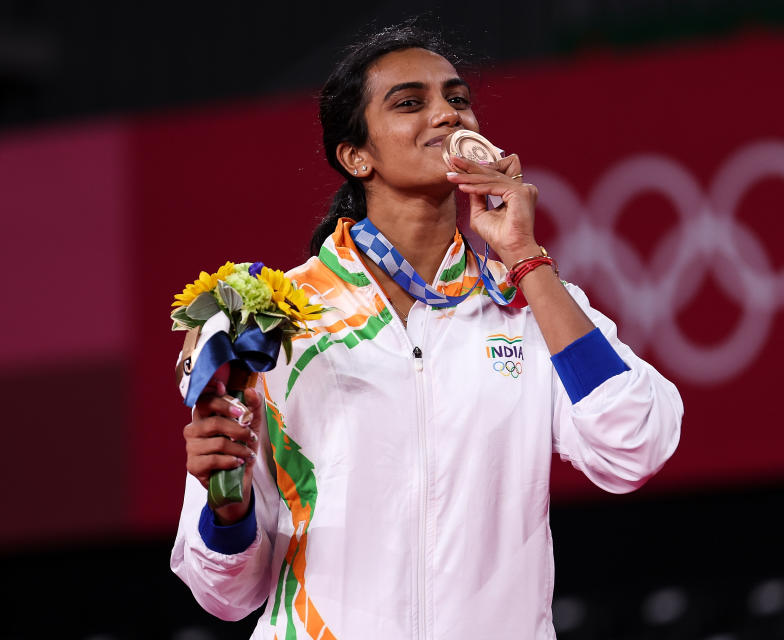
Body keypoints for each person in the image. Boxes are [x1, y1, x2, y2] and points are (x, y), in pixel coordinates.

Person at [171, 20, 683, 640]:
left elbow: (635, 444)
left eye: (458, 98)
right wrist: (228, 508)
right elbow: (226, 594)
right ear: (355, 156)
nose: (448, 115)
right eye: (411, 103)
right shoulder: (267, 321)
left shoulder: (527, 304)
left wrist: (526, 257)